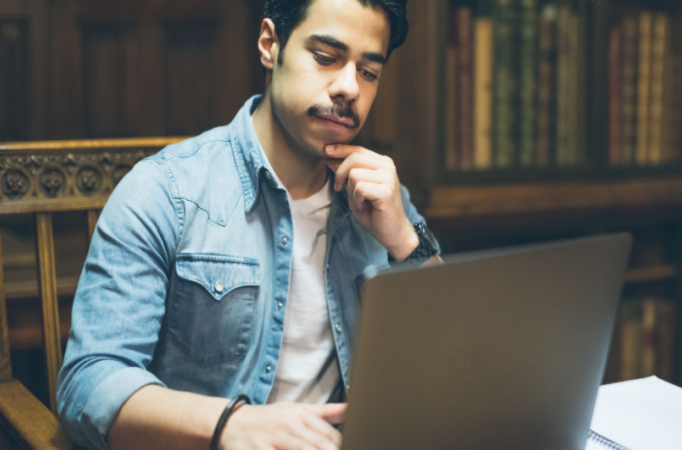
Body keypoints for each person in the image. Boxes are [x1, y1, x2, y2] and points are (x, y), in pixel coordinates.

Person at [56, 0, 440, 448]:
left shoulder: (383, 201)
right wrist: (230, 424)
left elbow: (455, 362)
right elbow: (87, 384)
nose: (349, 87)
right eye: (325, 57)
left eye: (369, 72)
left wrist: (403, 240)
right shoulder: (165, 192)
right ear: (269, 44)